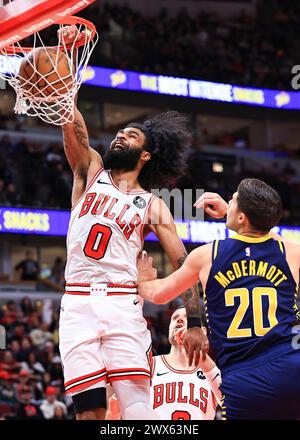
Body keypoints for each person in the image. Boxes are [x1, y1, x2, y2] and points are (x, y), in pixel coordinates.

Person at [58, 21, 207, 422]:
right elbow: (72, 126)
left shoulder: (154, 205)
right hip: (77, 302)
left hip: (124, 303)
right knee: (89, 414)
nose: (121, 138)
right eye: (120, 133)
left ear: (146, 156)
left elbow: (183, 264)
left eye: (131, 137)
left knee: (139, 412)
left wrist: (195, 321)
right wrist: (64, 63)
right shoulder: (90, 171)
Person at [137, 178, 300, 420]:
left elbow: (159, 294)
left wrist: (142, 280)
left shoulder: (206, 256)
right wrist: (241, 215)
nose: (228, 203)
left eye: (233, 200)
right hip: (291, 370)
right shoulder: (291, 252)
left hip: (243, 380)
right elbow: (268, 236)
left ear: (242, 217)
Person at [107, 307, 221, 420]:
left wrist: (200, 356)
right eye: (175, 318)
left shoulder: (211, 372)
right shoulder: (148, 365)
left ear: (202, 332)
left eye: (187, 318)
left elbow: (232, 403)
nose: (179, 320)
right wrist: (113, 415)